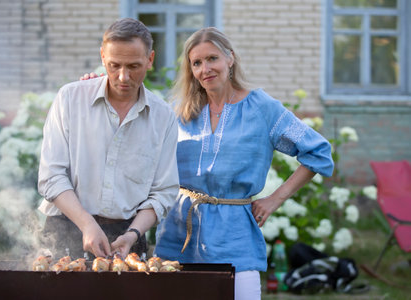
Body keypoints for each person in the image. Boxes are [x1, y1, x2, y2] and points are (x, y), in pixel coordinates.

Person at [152, 27, 334, 300]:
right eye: (196, 63)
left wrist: (275, 199)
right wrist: (95, 85)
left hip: (235, 236)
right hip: (178, 234)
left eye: (212, 58)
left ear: (230, 59)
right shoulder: (180, 109)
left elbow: (318, 151)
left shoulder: (261, 108)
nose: (205, 69)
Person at [37, 18, 179, 260]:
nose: (123, 77)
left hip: (128, 237)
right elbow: (52, 177)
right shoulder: (70, 99)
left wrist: (133, 233)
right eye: (114, 65)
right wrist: (88, 225)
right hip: (65, 228)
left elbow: (163, 192)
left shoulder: (163, 116)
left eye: (133, 66)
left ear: (150, 60)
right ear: (103, 56)